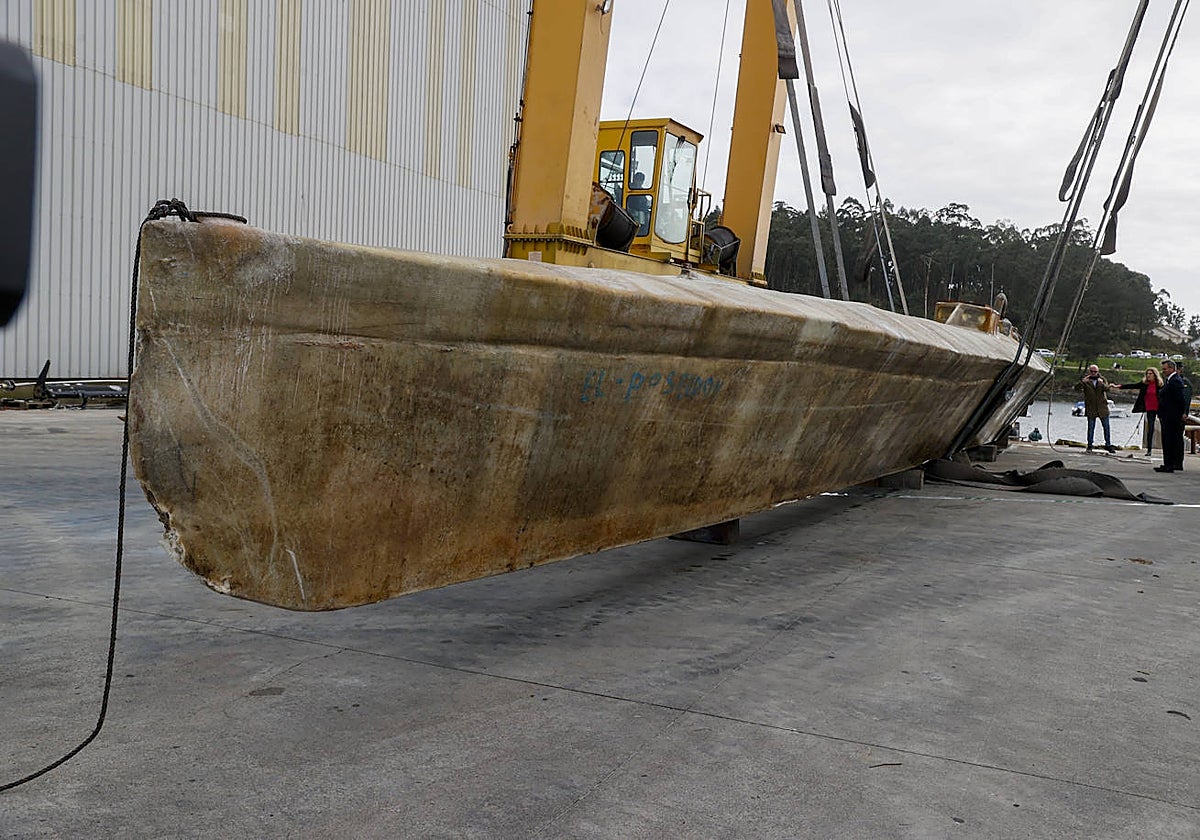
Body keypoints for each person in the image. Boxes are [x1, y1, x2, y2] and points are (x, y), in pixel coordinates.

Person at [1114, 367, 1163, 457]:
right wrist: (1120, 386)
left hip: (1159, 408)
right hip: (1149, 408)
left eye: (1150, 374)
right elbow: (1133, 385)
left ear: (1155, 375)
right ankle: (1149, 450)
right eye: (1147, 374)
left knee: (1164, 427)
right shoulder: (1144, 384)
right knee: (1151, 428)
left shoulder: (1159, 385)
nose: (1148, 375)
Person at [1155, 359, 1188, 472]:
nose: (1163, 371)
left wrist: (1182, 412)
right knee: (1173, 440)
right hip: (1170, 415)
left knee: (1169, 440)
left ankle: (1169, 464)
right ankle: (1174, 463)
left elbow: (1180, 399)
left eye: (1165, 369)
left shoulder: (1175, 381)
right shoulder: (1171, 380)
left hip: (1171, 416)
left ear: (1171, 368)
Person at [1080, 364, 1115, 452]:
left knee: (1106, 427)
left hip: (1102, 408)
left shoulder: (1102, 380)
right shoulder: (1086, 381)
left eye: (1095, 372)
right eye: (1091, 371)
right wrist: (1083, 382)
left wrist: (1102, 383)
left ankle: (1108, 444)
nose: (1093, 373)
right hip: (1091, 407)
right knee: (1091, 427)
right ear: (1089, 372)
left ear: (1098, 372)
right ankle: (1090, 445)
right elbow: (1077, 388)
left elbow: (1107, 389)